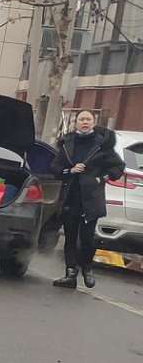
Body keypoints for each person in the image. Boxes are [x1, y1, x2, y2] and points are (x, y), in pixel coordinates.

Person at [51, 108, 124, 289]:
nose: (85, 122)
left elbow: (117, 168)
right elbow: (55, 167)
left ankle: (87, 268)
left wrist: (101, 178)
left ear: (93, 122)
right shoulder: (67, 143)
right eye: (82, 119)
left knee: (87, 239)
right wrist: (70, 170)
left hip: (91, 198)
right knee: (70, 237)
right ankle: (70, 273)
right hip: (70, 197)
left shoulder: (102, 145)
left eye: (88, 119)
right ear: (76, 123)